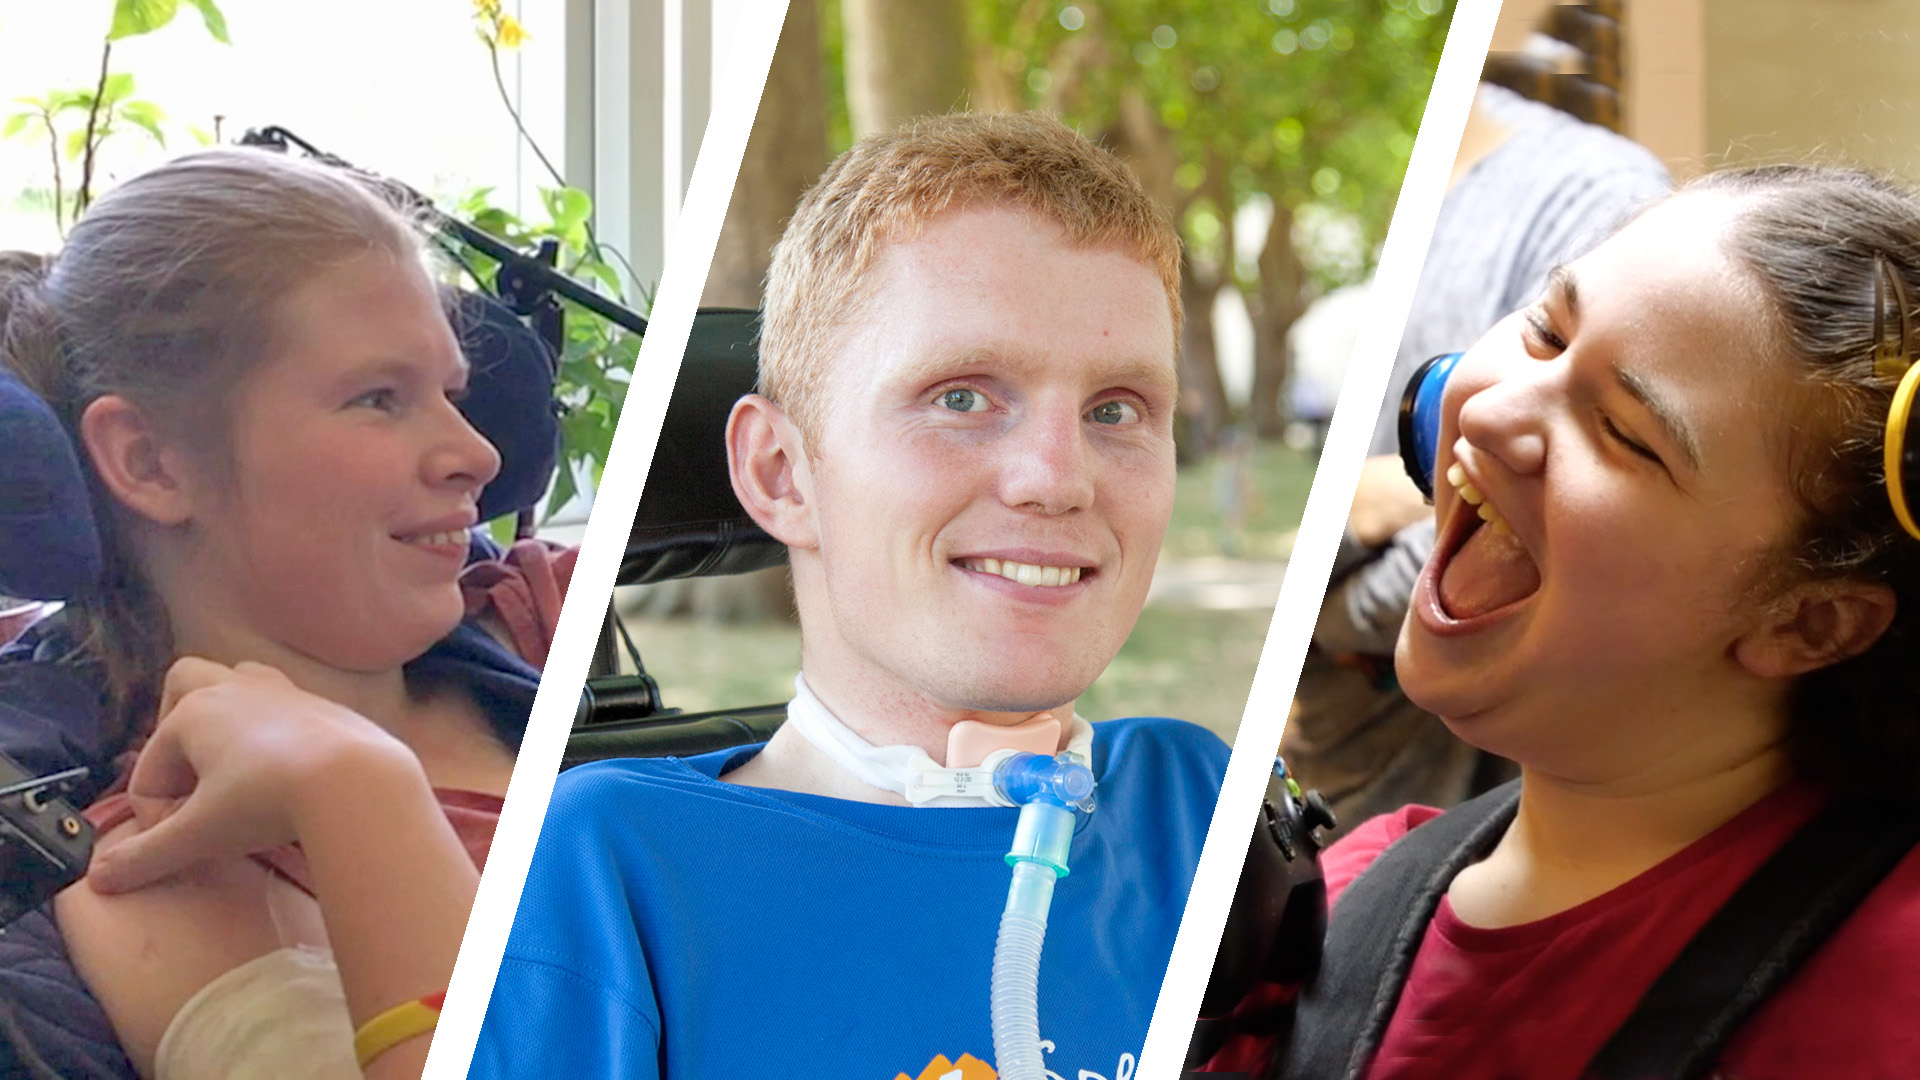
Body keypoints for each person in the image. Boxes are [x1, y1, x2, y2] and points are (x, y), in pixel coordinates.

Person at [470, 111, 1230, 1080]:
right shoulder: (607, 870)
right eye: (962, 396)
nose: (1057, 476)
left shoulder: (1200, 808)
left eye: (1117, 409)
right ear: (783, 473)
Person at [1272, 166, 1920, 1078]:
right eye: (1546, 331)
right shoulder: (1335, 904)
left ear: (1811, 623)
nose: (1491, 411)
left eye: (1625, 433)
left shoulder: (1882, 1006)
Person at [0, 148, 547, 1079]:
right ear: (149, 462)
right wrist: (358, 794)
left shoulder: (549, 612)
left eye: (451, 394)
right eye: (379, 398)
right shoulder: (163, 874)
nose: (477, 455)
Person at [1283, 4, 1670, 834]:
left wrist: (1324, 571)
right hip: (1323, 795)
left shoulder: (1595, 196)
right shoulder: (1371, 192)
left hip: (1447, 809)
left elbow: (1533, 549)